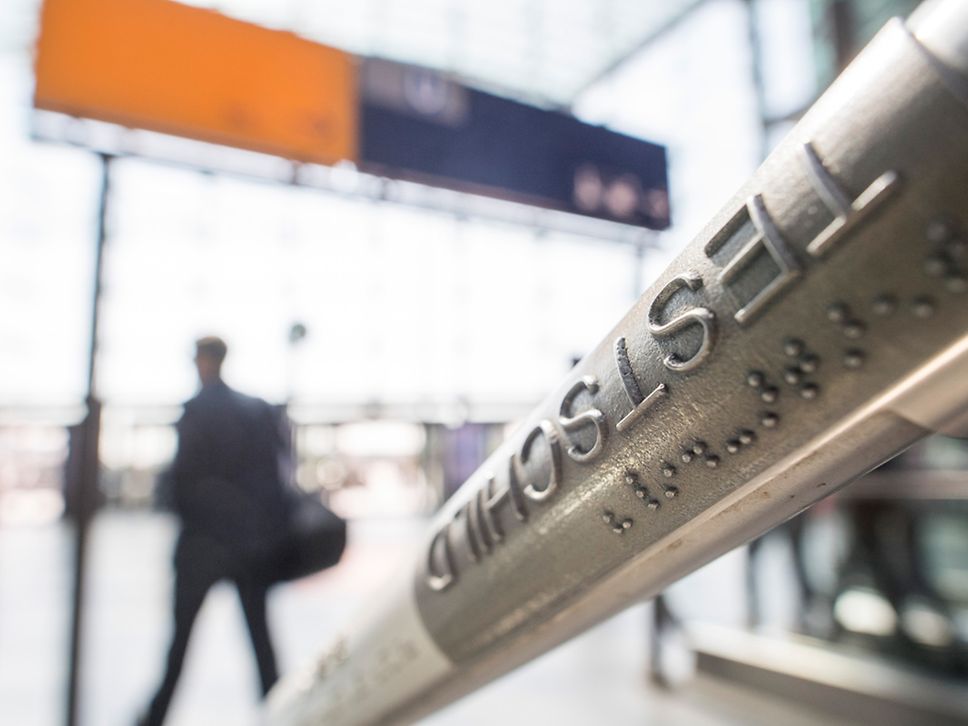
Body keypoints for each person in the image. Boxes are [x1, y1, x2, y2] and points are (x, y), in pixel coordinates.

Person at [141, 336, 290, 725]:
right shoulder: (255, 410)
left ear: (203, 361)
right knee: (261, 643)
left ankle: (154, 718)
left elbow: (182, 483)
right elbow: (275, 480)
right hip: (248, 546)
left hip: (201, 548)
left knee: (179, 645)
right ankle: (284, 714)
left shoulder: (196, 410)